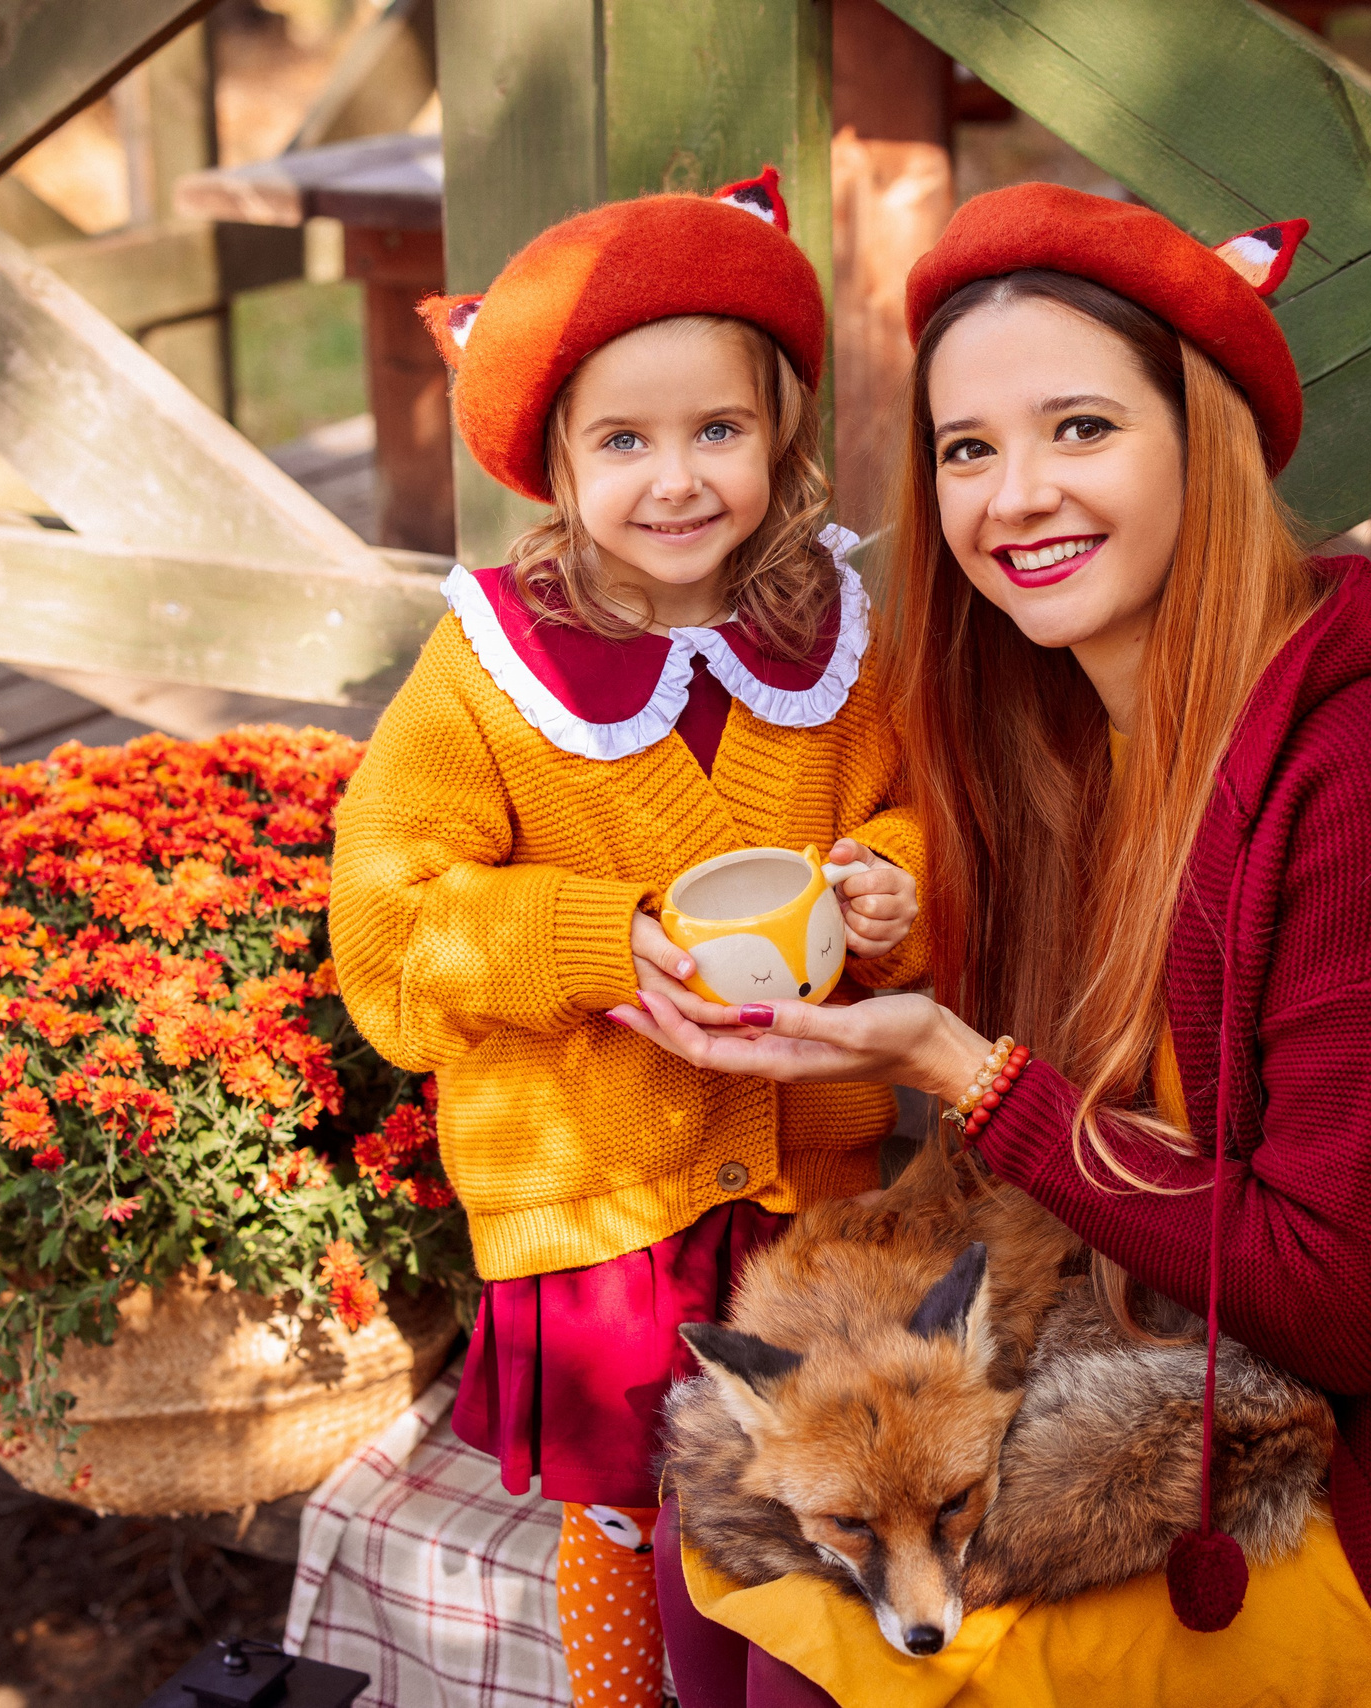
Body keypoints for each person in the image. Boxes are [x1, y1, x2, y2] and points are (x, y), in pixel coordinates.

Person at [614, 183, 1371, 1708]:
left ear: (1205, 441)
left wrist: (955, 1063)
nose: (1014, 495)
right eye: (967, 450)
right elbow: (1068, 1086)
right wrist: (855, 973)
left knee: (865, 1666)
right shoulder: (1044, 728)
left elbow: (1340, 1300)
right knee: (722, 1549)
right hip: (1150, 1328)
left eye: (1082, 429)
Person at [327, 168, 927, 1708]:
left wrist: (892, 885)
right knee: (631, 1496)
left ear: (780, 429)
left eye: (717, 431)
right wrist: (595, 941)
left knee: (801, 1488)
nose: (677, 480)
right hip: (605, 1204)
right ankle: (627, 1693)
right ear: (557, 461)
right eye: (625, 442)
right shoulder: (488, 671)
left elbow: (915, 811)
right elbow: (390, 928)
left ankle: (773, 1683)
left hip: (807, 1186)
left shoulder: (835, 631)